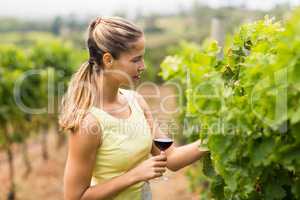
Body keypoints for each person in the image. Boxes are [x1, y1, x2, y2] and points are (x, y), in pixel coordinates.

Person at [59, 16, 208, 200]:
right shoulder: (88, 123)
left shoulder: (136, 101)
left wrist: (213, 140)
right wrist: (135, 175)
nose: (143, 66)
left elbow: (172, 157)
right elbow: (75, 197)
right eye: (136, 60)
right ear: (108, 59)